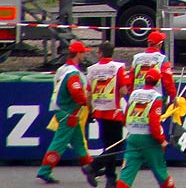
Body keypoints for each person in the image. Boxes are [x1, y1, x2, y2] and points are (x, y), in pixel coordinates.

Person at [38, 40, 95, 184]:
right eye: (83, 53)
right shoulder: (73, 74)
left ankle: (90, 167)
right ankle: (44, 170)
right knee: (59, 143)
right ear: (78, 54)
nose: (84, 56)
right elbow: (76, 92)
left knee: (78, 143)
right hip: (68, 112)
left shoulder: (63, 69)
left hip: (66, 111)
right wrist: (85, 102)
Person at [117, 69, 175, 188]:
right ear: (157, 82)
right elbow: (154, 123)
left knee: (126, 174)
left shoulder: (134, 94)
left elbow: (126, 116)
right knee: (160, 171)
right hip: (149, 138)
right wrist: (161, 140)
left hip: (132, 137)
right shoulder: (157, 97)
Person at [88, 42, 130, 188]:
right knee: (117, 146)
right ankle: (93, 166)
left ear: (100, 53)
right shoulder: (118, 67)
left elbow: (88, 93)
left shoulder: (92, 69)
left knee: (109, 145)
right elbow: (124, 91)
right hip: (113, 112)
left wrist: (90, 110)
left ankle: (110, 179)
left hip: (99, 111)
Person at [131, 34, 177, 103]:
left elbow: (131, 79)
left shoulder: (137, 58)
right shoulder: (162, 59)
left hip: (137, 97)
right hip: (157, 98)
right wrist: (173, 96)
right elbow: (168, 80)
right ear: (160, 45)